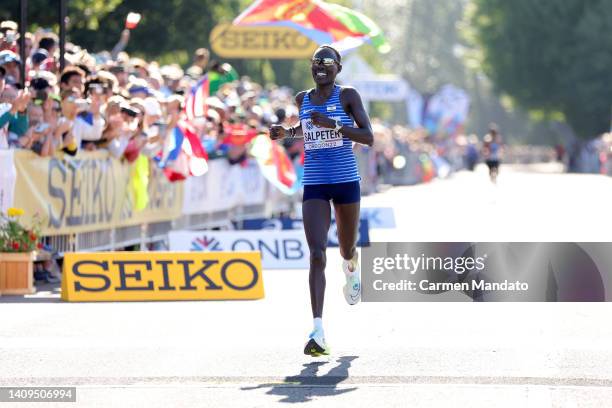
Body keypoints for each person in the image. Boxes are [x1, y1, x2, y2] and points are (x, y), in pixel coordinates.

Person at [269, 45, 374, 356]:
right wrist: (287, 132)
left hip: (345, 181)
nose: (322, 66)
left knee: (345, 247)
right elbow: (307, 127)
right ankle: (317, 329)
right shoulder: (302, 99)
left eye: (328, 62)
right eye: (317, 62)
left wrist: (336, 126)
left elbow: (367, 136)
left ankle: (352, 269)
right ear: (311, 67)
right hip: (314, 183)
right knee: (316, 253)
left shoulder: (348, 96)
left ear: (338, 68)